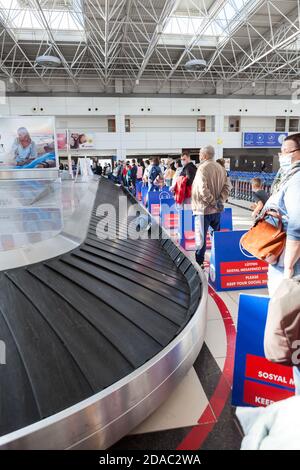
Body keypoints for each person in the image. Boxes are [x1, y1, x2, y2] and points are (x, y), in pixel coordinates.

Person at [192, 145, 230, 268]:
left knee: (201, 239)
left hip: (203, 210)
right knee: (216, 236)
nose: (199, 155)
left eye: (200, 153)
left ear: (205, 155)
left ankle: (199, 264)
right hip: (217, 210)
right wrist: (219, 202)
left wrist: (213, 202)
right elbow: (227, 187)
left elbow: (202, 189)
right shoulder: (221, 168)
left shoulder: (202, 168)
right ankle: (218, 260)